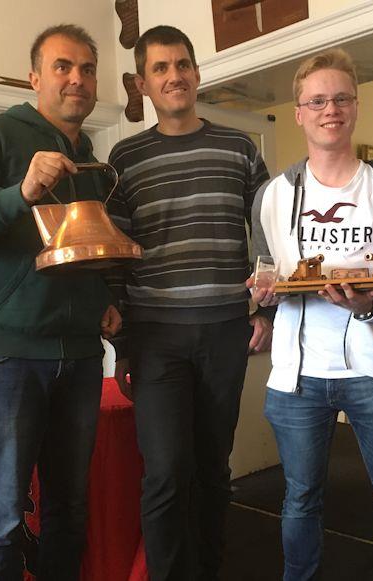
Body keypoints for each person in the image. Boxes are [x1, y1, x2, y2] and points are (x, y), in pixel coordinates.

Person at [0, 25, 121, 581]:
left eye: (87, 69)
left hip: (83, 357)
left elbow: (78, 249)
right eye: (63, 66)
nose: (77, 79)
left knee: (69, 507)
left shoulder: (90, 159)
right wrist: (20, 193)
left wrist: (103, 298)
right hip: (7, 358)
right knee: (1, 515)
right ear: (34, 77)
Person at [250, 48, 373, 580]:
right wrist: (263, 295)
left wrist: (370, 305)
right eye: (317, 100)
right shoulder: (273, 196)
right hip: (296, 376)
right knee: (300, 499)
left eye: (341, 98)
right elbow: (267, 275)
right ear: (299, 112)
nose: (331, 109)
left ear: (354, 106)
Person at [105, 25, 272, 580]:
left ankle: (209, 568)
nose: (174, 76)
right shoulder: (123, 158)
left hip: (226, 331)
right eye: (160, 68)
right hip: (155, 338)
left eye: (182, 64)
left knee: (212, 469)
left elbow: (274, 237)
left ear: (197, 73)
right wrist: (123, 346)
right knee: (165, 473)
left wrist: (267, 311)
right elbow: (117, 260)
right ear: (143, 84)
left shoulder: (240, 148)